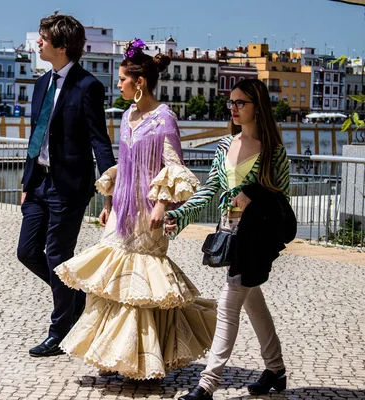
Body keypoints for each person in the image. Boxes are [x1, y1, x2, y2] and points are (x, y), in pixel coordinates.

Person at [54, 39, 217, 380]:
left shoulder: (164, 119)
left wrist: (161, 205)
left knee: (140, 286)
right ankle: (111, 354)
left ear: (139, 82)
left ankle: (139, 360)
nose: (118, 85)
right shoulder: (128, 116)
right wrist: (109, 201)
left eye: (122, 80)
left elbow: (174, 167)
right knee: (111, 283)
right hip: (121, 212)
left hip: (147, 216)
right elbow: (124, 166)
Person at [166, 78, 296, 400]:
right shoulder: (225, 146)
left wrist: (251, 195)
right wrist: (179, 215)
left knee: (229, 303)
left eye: (241, 103)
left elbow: (282, 198)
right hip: (229, 234)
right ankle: (275, 370)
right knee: (253, 301)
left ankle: (207, 385)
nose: (234, 108)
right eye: (232, 103)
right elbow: (210, 190)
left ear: (257, 107)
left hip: (256, 238)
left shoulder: (273, 152)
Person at [17, 14, 116, 358]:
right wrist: (27, 180)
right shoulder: (41, 83)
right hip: (39, 182)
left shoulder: (88, 86)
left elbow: (99, 140)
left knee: (59, 257)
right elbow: (36, 133)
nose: (38, 43)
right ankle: (74, 299)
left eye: (43, 39)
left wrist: (109, 189)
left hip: (68, 188)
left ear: (61, 46)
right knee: (27, 252)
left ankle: (59, 331)